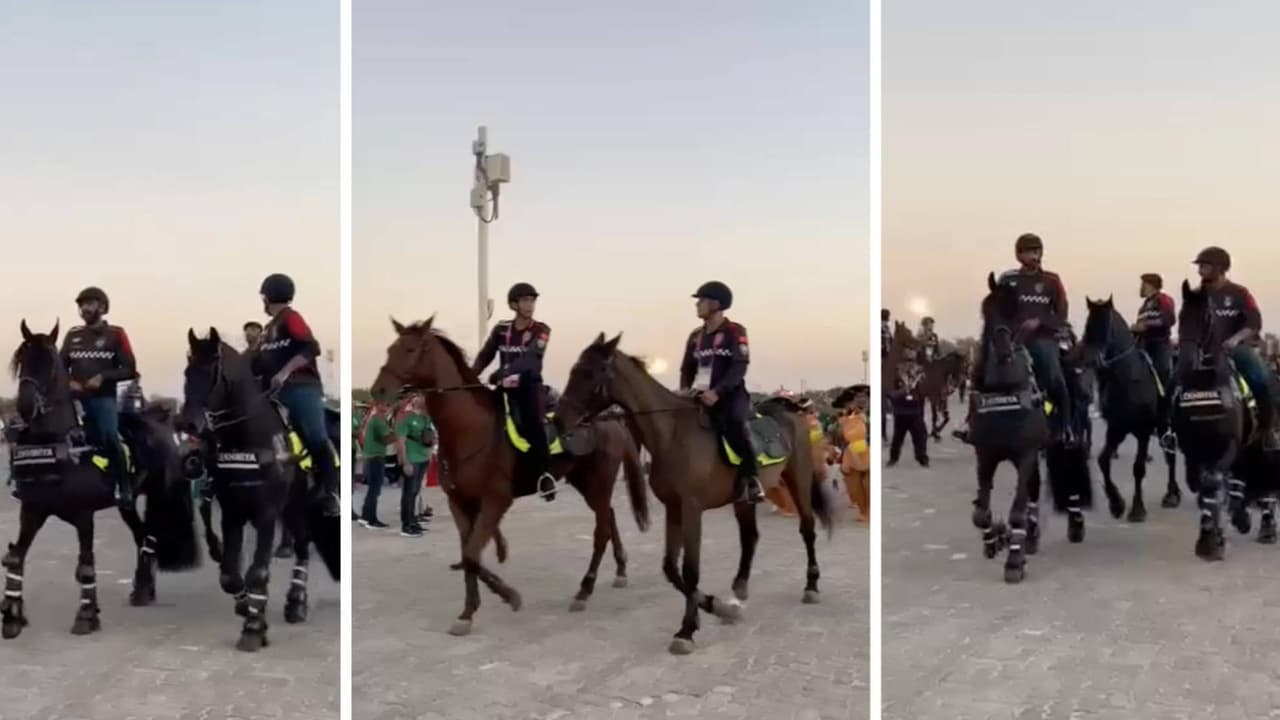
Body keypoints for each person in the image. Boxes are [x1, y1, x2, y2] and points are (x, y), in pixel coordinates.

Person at [955, 233, 1072, 444]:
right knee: (983, 366)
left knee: (1054, 376)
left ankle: (1065, 427)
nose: (1034, 256)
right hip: (1012, 337)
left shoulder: (1052, 281)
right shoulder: (1008, 279)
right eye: (1029, 251)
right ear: (1019, 255)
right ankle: (970, 421)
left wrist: (1040, 322)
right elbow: (997, 307)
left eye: (1036, 251)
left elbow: (1062, 313)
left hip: (1042, 338)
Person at [253, 273, 339, 517]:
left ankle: (331, 493)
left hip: (301, 388)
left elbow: (311, 348)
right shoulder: (267, 331)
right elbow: (254, 364)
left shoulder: (291, 318)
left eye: (263, 298)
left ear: (268, 297)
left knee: (315, 436)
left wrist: (284, 372)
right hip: (272, 394)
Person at [679, 281, 763, 504]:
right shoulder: (695, 335)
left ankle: (752, 478)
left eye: (702, 300)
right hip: (699, 395)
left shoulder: (735, 331)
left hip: (730, 395)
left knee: (734, 422)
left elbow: (739, 366)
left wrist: (718, 392)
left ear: (716, 304)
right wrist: (685, 391)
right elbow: (687, 368)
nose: (697, 304)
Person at [473, 282, 555, 499]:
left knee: (534, 426)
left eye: (532, 300)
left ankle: (544, 476)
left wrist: (504, 370)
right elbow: (485, 355)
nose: (530, 305)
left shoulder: (542, 330)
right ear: (514, 304)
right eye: (525, 300)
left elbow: (530, 359)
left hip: (529, 388)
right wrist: (470, 375)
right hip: (504, 389)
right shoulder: (501, 329)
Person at [1193, 246, 1279, 450]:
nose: (1199, 271)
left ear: (1220, 268)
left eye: (1204, 266)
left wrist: (1235, 339)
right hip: (1205, 350)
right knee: (1176, 378)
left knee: (1261, 378)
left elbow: (1254, 322)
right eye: (1200, 267)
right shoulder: (1197, 295)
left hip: (1236, 348)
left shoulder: (1239, 293)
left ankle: (1267, 429)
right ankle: (1170, 426)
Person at [61, 286, 138, 507]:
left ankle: (124, 487)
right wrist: (68, 380)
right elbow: (60, 366)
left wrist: (103, 377)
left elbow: (130, 368)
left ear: (102, 307)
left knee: (109, 437)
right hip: (74, 400)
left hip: (103, 398)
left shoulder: (116, 334)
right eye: (81, 305)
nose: (84, 308)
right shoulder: (72, 334)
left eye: (89, 304)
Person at [394, 394, 433, 537]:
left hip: (423, 458)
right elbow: (401, 441)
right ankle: (406, 525)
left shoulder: (425, 417)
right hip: (412, 458)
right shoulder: (406, 417)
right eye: (422, 397)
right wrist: (405, 462)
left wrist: (429, 454)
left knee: (415, 491)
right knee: (409, 492)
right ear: (416, 400)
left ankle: (413, 520)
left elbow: (429, 437)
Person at [1133, 273, 1175, 398]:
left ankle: (1166, 400)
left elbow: (1169, 319)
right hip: (1142, 344)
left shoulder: (1163, 299)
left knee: (1162, 371)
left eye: (1143, 285)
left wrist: (1147, 325)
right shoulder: (1143, 306)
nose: (1140, 288)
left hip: (1159, 343)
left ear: (1150, 285)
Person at [358, 402, 394, 528]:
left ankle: (366, 516)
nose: (390, 408)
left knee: (373, 489)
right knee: (375, 490)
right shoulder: (378, 421)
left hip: (372, 457)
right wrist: (398, 433)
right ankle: (370, 519)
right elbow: (386, 439)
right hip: (376, 457)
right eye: (388, 405)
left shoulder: (374, 419)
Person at [887, 361, 928, 467]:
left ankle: (921, 457)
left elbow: (924, 392)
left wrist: (921, 388)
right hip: (901, 411)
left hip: (915, 411)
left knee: (920, 435)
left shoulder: (919, 374)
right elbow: (889, 393)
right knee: (898, 438)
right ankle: (893, 458)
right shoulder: (895, 374)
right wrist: (902, 392)